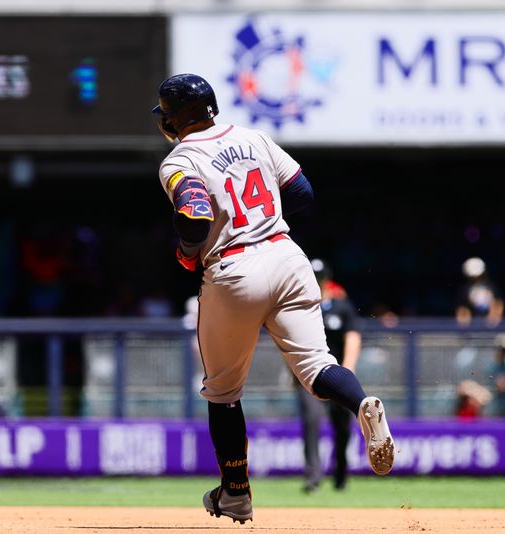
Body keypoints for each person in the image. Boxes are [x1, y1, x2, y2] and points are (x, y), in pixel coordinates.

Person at [151, 73, 394, 524]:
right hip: (287, 256)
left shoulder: (179, 158)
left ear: (174, 118)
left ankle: (237, 494)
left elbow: (194, 215)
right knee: (318, 366)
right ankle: (361, 403)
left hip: (232, 268)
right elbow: (302, 193)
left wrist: (187, 251)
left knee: (223, 392)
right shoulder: (254, 136)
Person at [294, 259, 361, 493]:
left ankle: (341, 475)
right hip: (309, 377)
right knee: (311, 422)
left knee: (342, 427)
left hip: (337, 377)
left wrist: (347, 372)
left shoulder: (341, 306)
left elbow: (352, 338)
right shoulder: (301, 305)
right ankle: (312, 477)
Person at [455, 257, 504, 326]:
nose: (476, 280)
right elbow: (462, 310)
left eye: (478, 276)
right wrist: (465, 325)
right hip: (472, 328)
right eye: (473, 278)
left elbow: (497, 305)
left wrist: (492, 322)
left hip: (491, 326)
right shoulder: (464, 290)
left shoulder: (492, 287)